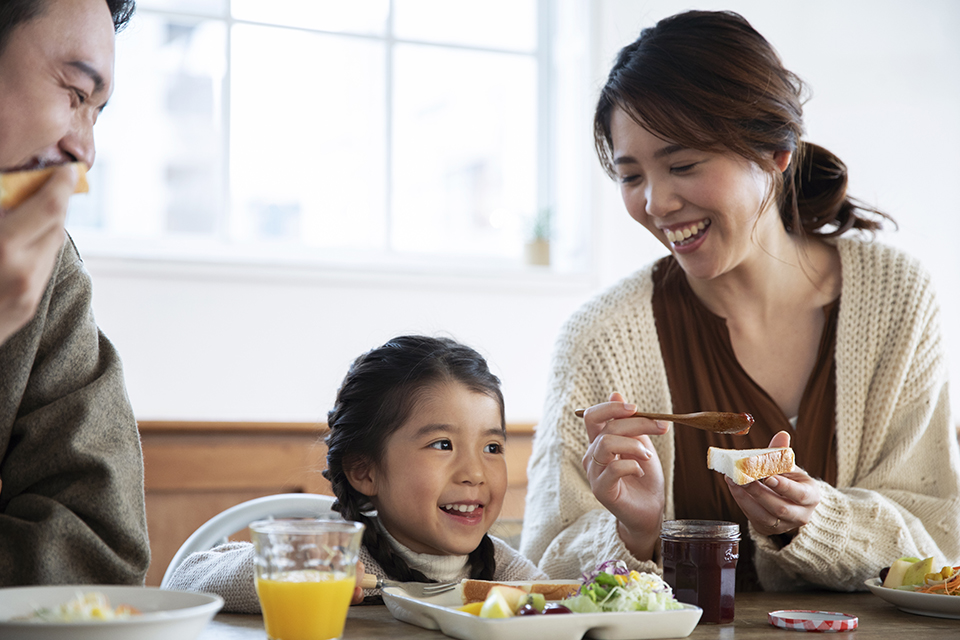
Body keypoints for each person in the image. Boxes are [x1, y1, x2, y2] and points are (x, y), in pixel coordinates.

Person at [520, 10, 960, 592]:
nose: (655, 202)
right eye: (631, 177)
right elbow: (538, 572)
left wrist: (814, 521)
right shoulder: (600, 337)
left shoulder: (895, 299)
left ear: (775, 153)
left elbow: (942, 543)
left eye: (682, 165)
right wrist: (634, 534)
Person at [166, 335, 546, 612]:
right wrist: (294, 564)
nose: (475, 473)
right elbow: (184, 581)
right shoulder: (343, 558)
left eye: (492, 448)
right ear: (365, 472)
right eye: (443, 444)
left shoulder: (504, 570)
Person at [0, 0, 150, 586]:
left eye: (97, 111)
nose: (84, 151)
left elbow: (99, 548)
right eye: (73, 93)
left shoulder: (42, 263)